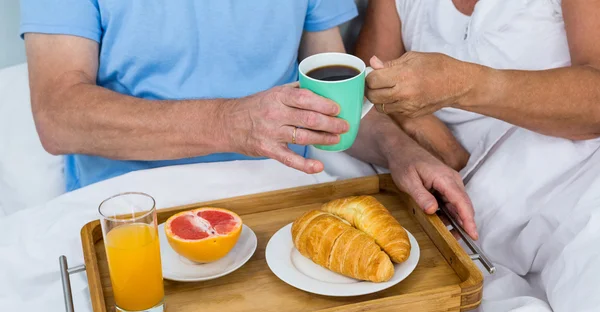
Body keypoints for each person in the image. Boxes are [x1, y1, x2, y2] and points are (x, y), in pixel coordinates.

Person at [21, 0, 479, 239]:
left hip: (279, 205)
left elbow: (332, 99)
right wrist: (234, 123)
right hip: (132, 213)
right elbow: (58, 116)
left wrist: (402, 151)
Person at [355, 0, 600, 159]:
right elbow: (365, 87)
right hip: (462, 193)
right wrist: (424, 130)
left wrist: (463, 84)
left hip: (573, 181)